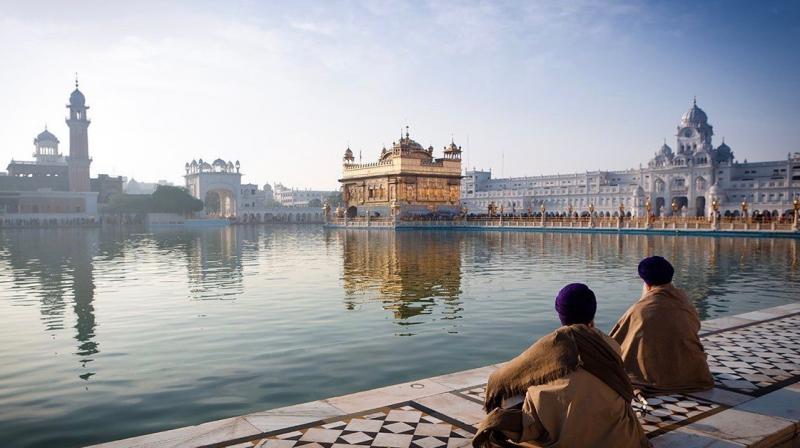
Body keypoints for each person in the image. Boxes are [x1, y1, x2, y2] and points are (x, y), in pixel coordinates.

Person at [473, 283, 650, 448]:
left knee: (509, 391)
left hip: (562, 433)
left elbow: (500, 380)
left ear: (561, 314)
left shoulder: (553, 344)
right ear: (593, 312)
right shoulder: (610, 344)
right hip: (616, 435)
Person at [610, 256, 714, 395]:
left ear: (646, 284)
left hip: (653, 378)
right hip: (693, 373)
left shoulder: (640, 310)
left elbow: (614, 344)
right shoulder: (685, 303)